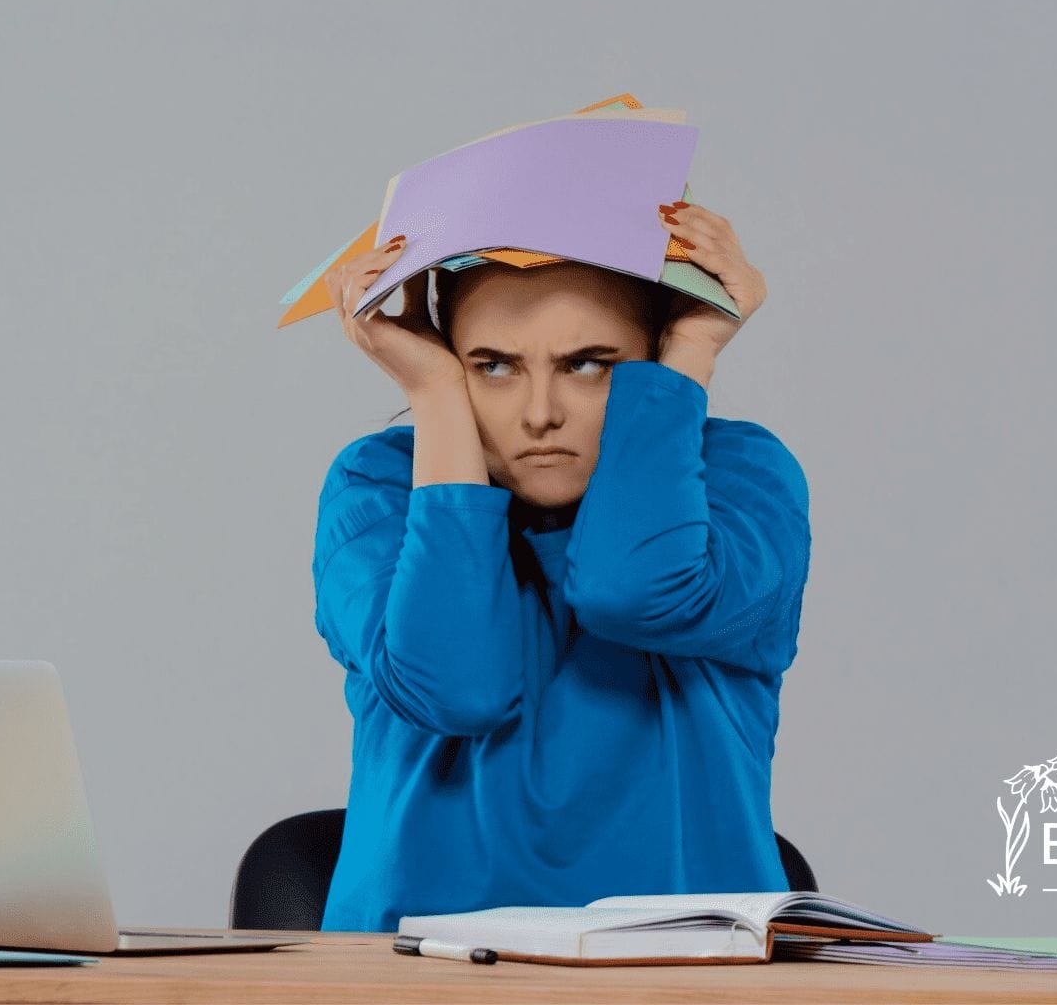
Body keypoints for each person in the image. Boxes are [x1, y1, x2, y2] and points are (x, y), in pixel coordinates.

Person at [311, 201, 810, 933]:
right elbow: (457, 687)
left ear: (652, 357)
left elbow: (635, 590)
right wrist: (435, 398)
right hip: (410, 974)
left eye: (589, 365)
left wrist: (695, 347)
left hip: (686, 973)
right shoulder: (381, 485)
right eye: (494, 367)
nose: (540, 413)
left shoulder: (737, 475)